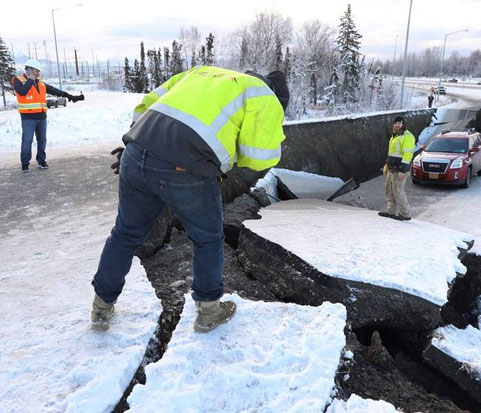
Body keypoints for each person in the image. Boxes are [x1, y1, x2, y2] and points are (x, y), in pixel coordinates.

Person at [91, 66, 289, 332]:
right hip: (187, 169)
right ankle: (209, 311)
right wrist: (222, 158)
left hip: (136, 153)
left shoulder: (202, 72)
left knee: (125, 234)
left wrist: (141, 151)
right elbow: (260, 157)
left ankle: (101, 308)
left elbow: (146, 106)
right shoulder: (262, 95)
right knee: (207, 239)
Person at [11, 59, 84, 173]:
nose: (38, 73)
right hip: (28, 118)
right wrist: (30, 79)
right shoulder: (18, 81)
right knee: (27, 141)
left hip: (41, 117)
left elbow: (54, 90)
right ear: (29, 70)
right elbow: (22, 92)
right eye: (36, 71)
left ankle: (41, 160)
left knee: (42, 140)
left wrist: (69, 96)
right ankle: (25, 163)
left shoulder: (40, 82)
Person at [378, 116, 416, 221]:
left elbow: (408, 154)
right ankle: (391, 211)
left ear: (404, 124)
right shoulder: (394, 136)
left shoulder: (407, 136)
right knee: (389, 191)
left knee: (398, 191)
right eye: (395, 123)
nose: (397, 125)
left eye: (399, 123)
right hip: (391, 168)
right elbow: (391, 153)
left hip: (399, 170)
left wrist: (403, 170)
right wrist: (386, 165)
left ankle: (405, 214)